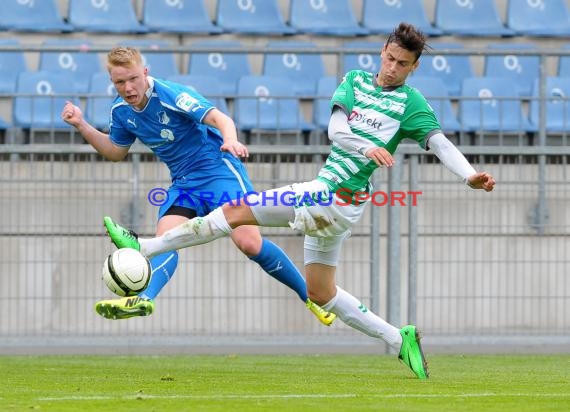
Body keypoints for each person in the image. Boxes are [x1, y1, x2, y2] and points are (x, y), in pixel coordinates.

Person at [103, 23, 496, 379]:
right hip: (338, 205)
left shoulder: (411, 104)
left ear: (413, 68)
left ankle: (145, 247)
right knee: (321, 292)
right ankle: (398, 339)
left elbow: (439, 142)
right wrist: (368, 145)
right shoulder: (355, 81)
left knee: (235, 212)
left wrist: (468, 176)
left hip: (329, 196)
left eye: (403, 64)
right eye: (390, 58)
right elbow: (337, 130)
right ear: (383, 52)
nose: (393, 67)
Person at [61, 46, 335, 326]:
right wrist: (81, 124)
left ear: (145, 72)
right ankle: (143, 299)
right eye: (120, 82)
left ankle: (310, 296)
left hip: (219, 171)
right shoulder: (121, 112)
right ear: (112, 82)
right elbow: (115, 152)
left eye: (133, 79)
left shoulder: (170, 95)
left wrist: (230, 139)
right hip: (184, 183)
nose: (129, 87)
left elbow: (219, 118)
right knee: (162, 241)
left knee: (249, 243)